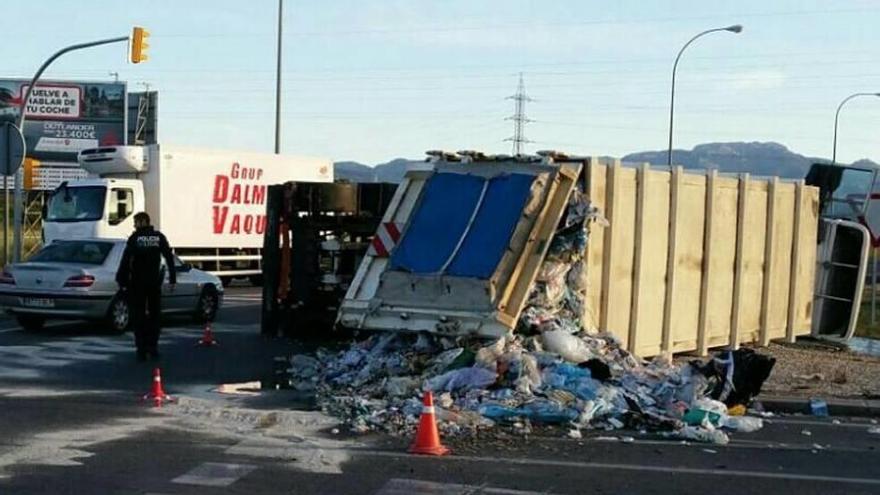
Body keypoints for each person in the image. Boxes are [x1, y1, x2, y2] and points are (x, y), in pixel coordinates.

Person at [116, 212, 176, 361]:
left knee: (139, 316)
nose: (134, 225)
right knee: (155, 316)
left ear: (143, 222)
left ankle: (141, 349)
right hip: (154, 283)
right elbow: (169, 257)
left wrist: (121, 279)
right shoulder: (158, 237)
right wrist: (172, 278)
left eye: (136, 222)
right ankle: (153, 347)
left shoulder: (135, 238)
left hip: (137, 284)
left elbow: (126, 260)